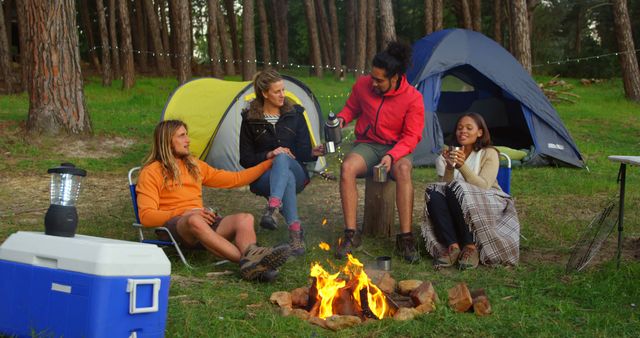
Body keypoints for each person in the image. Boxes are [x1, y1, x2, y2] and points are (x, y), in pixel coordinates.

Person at [136, 120, 291, 282]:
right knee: (195, 219)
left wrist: (269, 162)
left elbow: (235, 179)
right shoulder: (151, 172)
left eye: (186, 135)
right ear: (166, 141)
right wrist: (185, 212)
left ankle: (253, 261)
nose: (188, 140)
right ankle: (249, 262)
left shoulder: (194, 165)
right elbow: (146, 217)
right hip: (177, 227)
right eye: (182, 136)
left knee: (245, 218)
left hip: (204, 223)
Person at [334, 41, 425, 263]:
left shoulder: (413, 98)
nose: (372, 83)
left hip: (397, 148)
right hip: (368, 144)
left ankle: (405, 238)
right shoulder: (363, 85)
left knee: (403, 170)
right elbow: (351, 108)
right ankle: (351, 234)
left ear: (395, 78)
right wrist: (340, 119)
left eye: (379, 80)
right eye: (372, 77)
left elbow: (412, 136)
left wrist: (392, 155)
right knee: (347, 168)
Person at [239, 69, 324, 256]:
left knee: (284, 158)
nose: (282, 95)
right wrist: (270, 154)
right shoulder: (250, 120)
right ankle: (295, 232)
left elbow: (302, 152)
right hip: (263, 176)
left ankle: (272, 208)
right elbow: (245, 159)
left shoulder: (295, 114)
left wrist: (312, 152)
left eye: (283, 90)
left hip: (297, 169)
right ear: (264, 94)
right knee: (287, 176)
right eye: (277, 91)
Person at [421, 113, 520, 270]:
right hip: (457, 204)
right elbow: (444, 188)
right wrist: (449, 166)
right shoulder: (447, 154)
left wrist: (462, 166)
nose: (463, 131)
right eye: (459, 128)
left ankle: (470, 246)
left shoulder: (489, 153)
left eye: (469, 128)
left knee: (457, 188)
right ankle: (452, 247)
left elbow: (484, 186)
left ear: (479, 132)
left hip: (488, 203)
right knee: (434, 191)